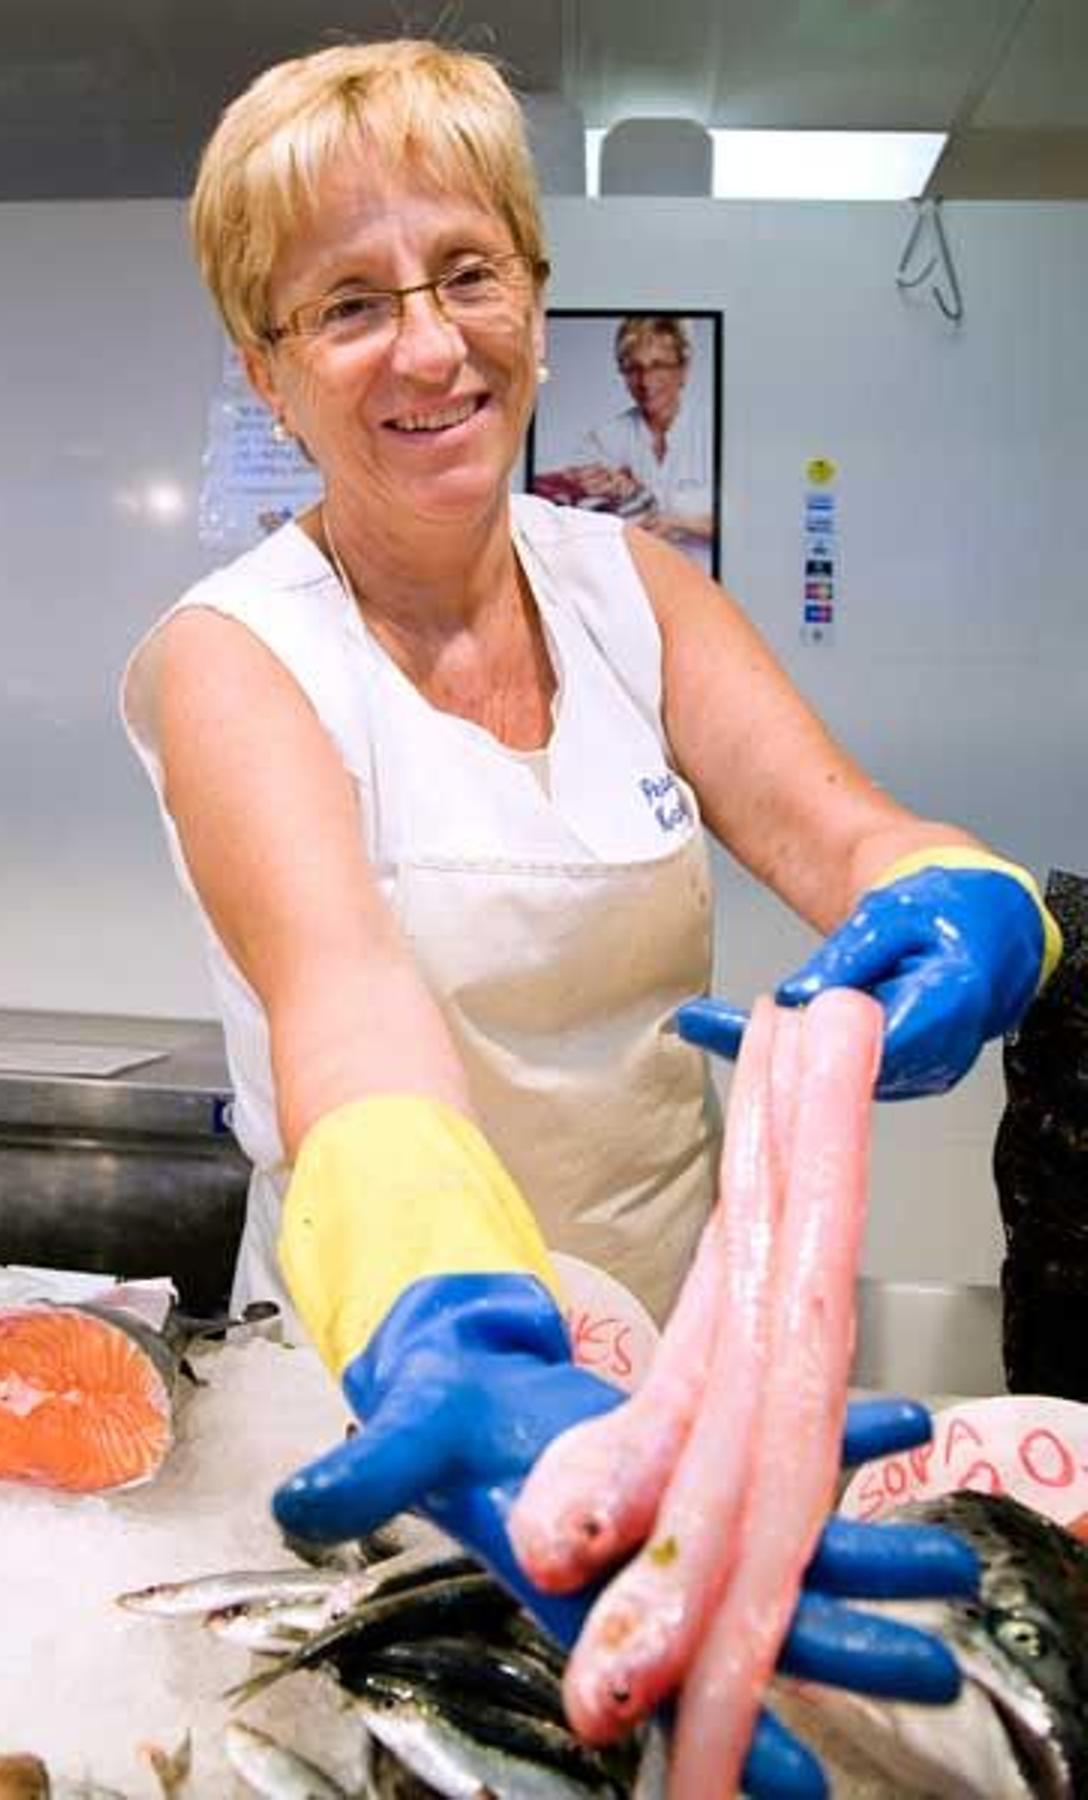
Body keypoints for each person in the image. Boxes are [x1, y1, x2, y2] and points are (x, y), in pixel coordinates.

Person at [121, 37, 1059, 1796]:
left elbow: (848, 830)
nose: (427, 343)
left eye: (468, 272)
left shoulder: (631, 588)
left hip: (696, 1374)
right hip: (405, 1380)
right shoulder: (237, 658)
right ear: (266, 369)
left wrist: (976, 899)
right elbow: (346, 1006)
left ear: (535, 296)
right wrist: (456, 1336)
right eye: (346, 304)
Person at [535, 314, 715, 563]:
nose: (645, 381)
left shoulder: (713, 433)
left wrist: (679, 523)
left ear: (683, 370)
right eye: (633, 368)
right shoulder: (603, 440)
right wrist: (591, 489)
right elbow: (572, 522)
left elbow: (750, 523)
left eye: (658, 365)